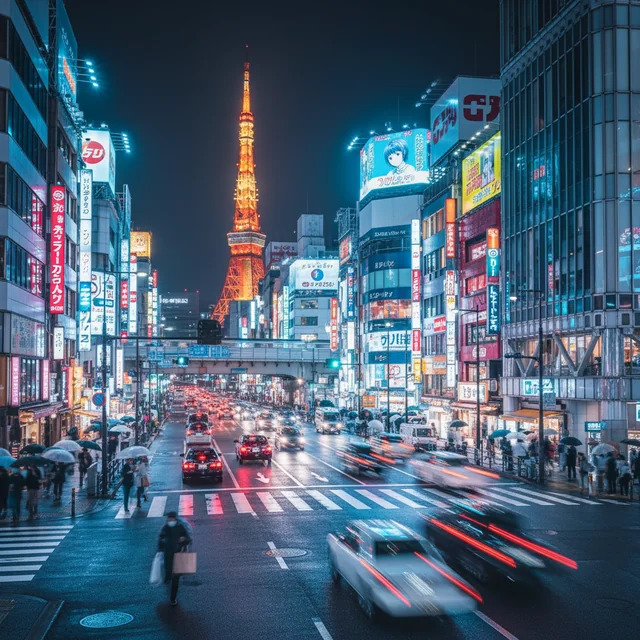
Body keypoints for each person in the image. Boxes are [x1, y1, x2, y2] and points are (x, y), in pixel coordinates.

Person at [157, 511, 192, 606]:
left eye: (172, 519)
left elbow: (188, 540)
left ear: (175, 519)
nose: (170, 521)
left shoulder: (180, 527)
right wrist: (161, 547)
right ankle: (168, 577)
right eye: (169, 519)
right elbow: (160, 539)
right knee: (168, 570)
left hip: (179, 554)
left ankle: (173, 598)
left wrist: (184, 540)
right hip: (168, 555)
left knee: (176, 578)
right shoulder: (165, 528)